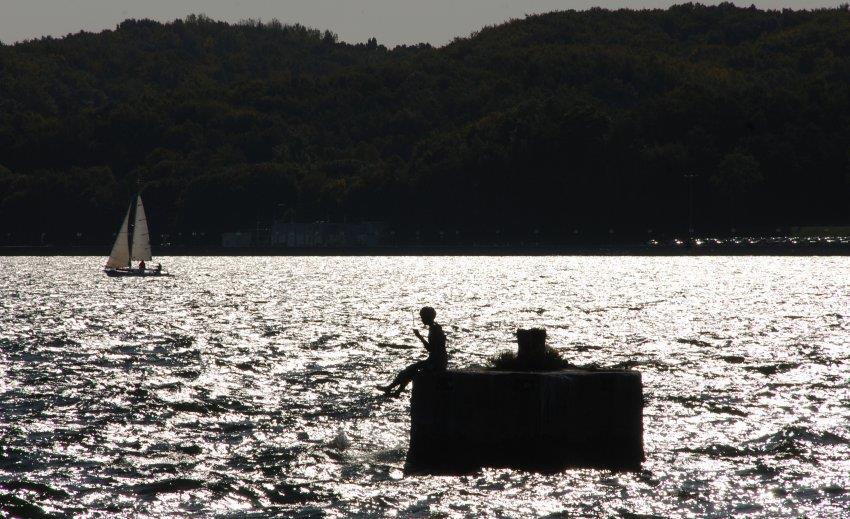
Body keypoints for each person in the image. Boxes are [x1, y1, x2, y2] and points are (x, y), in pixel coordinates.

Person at [378, 306, 447, 396]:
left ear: (428, 317)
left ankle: (394, 390)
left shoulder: (434, 329)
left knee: (411, 370)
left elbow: (431, 349)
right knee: (410, 369)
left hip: (436, 363)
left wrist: (419, 336)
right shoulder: (435, 327)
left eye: (422, 317)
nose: (421, 319)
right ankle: (395, 390)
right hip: (436, 360)